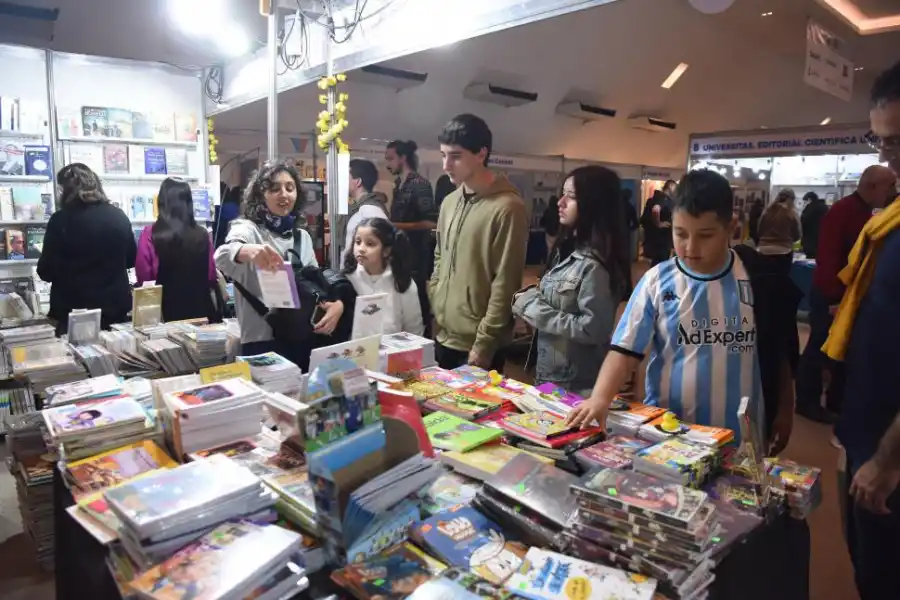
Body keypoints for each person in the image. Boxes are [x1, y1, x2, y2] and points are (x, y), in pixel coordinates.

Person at [567, 169, 799, 457]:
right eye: (680, 233)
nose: (690, 247)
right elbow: (624, 350)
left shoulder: (759, 278)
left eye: (705, 235)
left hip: (740, 436)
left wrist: (786, 410)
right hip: (669, 432)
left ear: (731, 228)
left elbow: (780, 352)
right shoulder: (656, 281)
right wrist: (600, 398)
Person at [825, 61, 900, 600]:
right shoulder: (890, 220)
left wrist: (887, 457)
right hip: (866, 436)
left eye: (896, 143)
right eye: (882, 142)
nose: (887, 158)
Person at [511, 166, 631, 395]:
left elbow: (593, 329)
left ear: (593, 205)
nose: (560, 202)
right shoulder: (566, 249)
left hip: (574, 385)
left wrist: (534, 310)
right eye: (563, 193)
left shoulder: (594, 265)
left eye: (572, 197)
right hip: (550, 373)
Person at [795, 165, 897, 424]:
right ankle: (806, 401)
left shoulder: (865, 212)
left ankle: (836, 401)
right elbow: (828, 257)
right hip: (832, 295)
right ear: (873, 186)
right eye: (890, 186)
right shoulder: (843, 211)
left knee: (842, 351)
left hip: (846, 295)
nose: (892, 192)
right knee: (819, 348)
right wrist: (833, 299)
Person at [214, 160, 344, 361]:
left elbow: (314, 286)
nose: (284, 194)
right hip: (261, 342)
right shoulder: (248, 229)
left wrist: (336, 305)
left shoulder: (302, 237)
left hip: (302, 338)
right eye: (274, 188)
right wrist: (247, 250)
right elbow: (222, 256)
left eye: (289, 188)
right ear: (260, 195)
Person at [429, 114, 528, 371]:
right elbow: (440, 256)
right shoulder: (449, 203)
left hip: (479, 343)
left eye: (456, 156)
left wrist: (485, 343)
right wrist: (436, 295)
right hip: (444, 333)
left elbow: (505, 282)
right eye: (443, 155)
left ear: (481, 154)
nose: (446, 165)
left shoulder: (508, 208)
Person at [37, 163, 136, 334]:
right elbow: (130, 259)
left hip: (74, 313)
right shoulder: (118, 216)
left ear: (66, 190)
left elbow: (45, 271)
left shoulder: (60, 220)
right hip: (115, 311)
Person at [135, 178, 219, 322]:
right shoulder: (202, 234)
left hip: (165, 314)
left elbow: (145, 278)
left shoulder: (150, 234)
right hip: (201, 311)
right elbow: (211, 275)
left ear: (161, 202)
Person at [385, 140, 437, 333]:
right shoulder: (399, 185)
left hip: (416, 257)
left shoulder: (420, 185)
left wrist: (394, 225)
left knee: (418, 305)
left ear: (403, 158)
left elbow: (431, 222)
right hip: (400, 256)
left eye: (390, 158)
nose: (388, 163)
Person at [344, 217, 423, 336]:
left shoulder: (402, 283)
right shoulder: (347, 280)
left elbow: (414, 330)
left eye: (370, 244)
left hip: (393, 352)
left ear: (386, 250)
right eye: (358, 242)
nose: (361, 249)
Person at [342, 159, 389, 258]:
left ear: (358, 182)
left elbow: (376, 254)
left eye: (346, 178)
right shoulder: (361, 208)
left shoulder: (371, 210)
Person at [756, 188, 801, 275]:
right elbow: (797, 234)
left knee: (764, 280)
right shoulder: (791, 213)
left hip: (763, 250)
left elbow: (759, 231)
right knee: (781, 282)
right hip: (784, 251)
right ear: (791, 199)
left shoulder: (767, 211)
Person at [640, 181, 675, 265]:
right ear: (670, 186)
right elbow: (656, 209)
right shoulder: (663, 197)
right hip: (662, 238)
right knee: (660, 262)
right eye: (674, 187)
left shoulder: (658, 197)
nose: (675, 190)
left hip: (658, 238)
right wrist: (659, 224)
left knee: (657, 262)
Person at [800, 191, 828, 258]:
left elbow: (802, 222)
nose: (804, 204)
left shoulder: (810, 209)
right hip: (823, 242)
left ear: (809, 200)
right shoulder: (825, 208)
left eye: (805, 202)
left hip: (810, 243)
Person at [622, 187, 639, 263]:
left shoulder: (613, 207)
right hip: (625, 232)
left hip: (613, 232)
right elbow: (636, 223)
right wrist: (629, 228)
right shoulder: (630, 207)